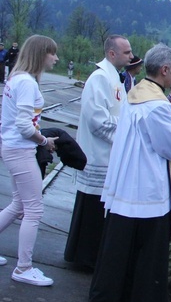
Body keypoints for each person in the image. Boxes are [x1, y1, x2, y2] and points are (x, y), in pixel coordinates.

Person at [88, 43, 171, 302]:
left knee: (120, 244)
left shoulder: (136, 92)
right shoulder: (156, 105)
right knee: (146, 247)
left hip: (126, 178)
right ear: (165, 69)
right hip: (146, 184)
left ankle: (108, 296)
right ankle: (139, 301)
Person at [65, 34, 133, 270]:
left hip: (107, 155)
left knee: (95, 209)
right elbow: (97, 120)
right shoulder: (99, 78)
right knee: (91, 208)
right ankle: (84, 259)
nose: (131, 56)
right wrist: (126, 137)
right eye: (127, 53)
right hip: (98, 154)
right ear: (111, 53)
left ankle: (86, 256)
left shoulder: (115, 77)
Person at [0, 35, 59, 285]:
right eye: (52, 53)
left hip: (12, 148)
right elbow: (25, 125)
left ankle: (24, 267)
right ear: (40, 54)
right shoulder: (27, 83)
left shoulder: (16, 79)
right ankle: (23, 268)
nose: (56, 58)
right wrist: (45, 141)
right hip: (21, 150)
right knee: (34, 209)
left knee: (19, 204)